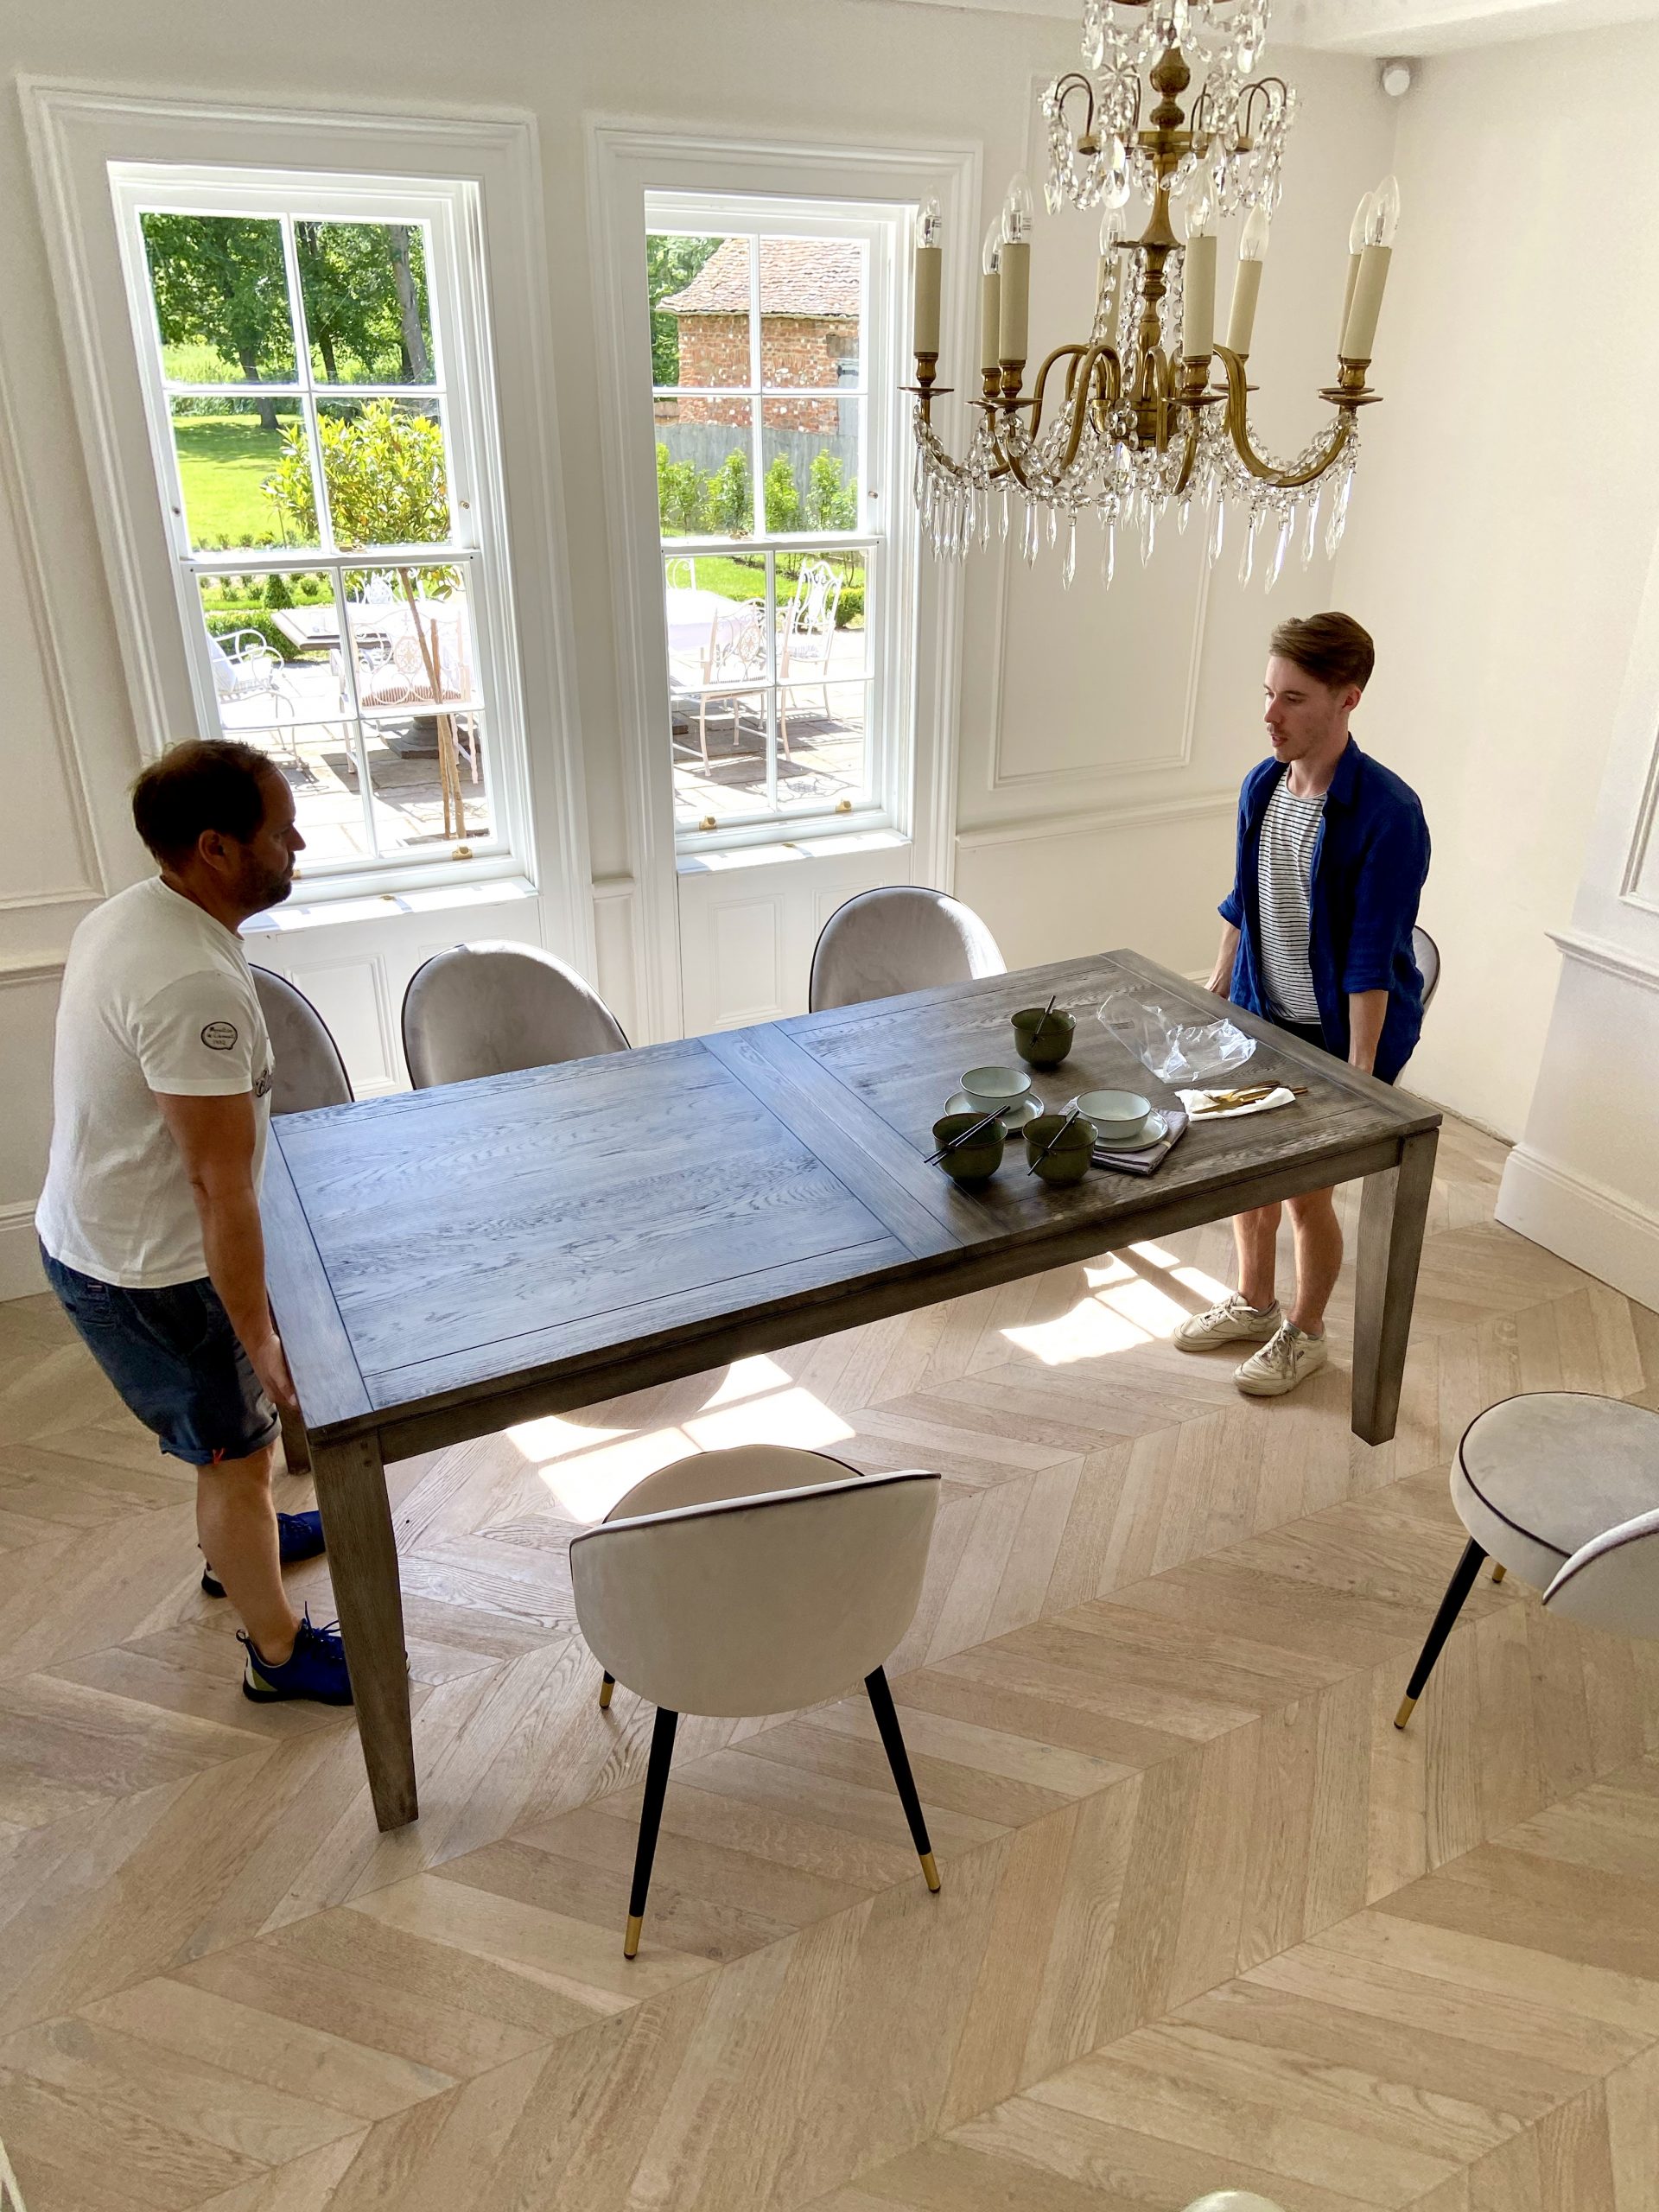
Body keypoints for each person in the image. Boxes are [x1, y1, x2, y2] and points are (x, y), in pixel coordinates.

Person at [35, 738, 352, 1703]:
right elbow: (220, 1186)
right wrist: (257, 1331)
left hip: (112, 1240)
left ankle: (236, 1551)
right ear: (215, 848)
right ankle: (278, 1653)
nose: (297, 838)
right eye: (277, 826)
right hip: (152, 1274)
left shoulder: (141, 912)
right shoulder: (191, 985)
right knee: (236, 1455)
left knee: (232, 1452)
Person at [1175, 612, 1430, 1398]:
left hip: (1341, 1029)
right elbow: (1245, 898)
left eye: (1292, 698)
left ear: (1347, 699)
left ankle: (1306, 1332)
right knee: (1246, 1172)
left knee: (1302, 1189)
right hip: (1260, 1012)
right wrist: (1221, 985)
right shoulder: (1263, 784)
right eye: (1267, 693)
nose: (1270, 714)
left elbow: (1367, 958)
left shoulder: (1389, 815)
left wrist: (1359, 1081)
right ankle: (1254, 1303)